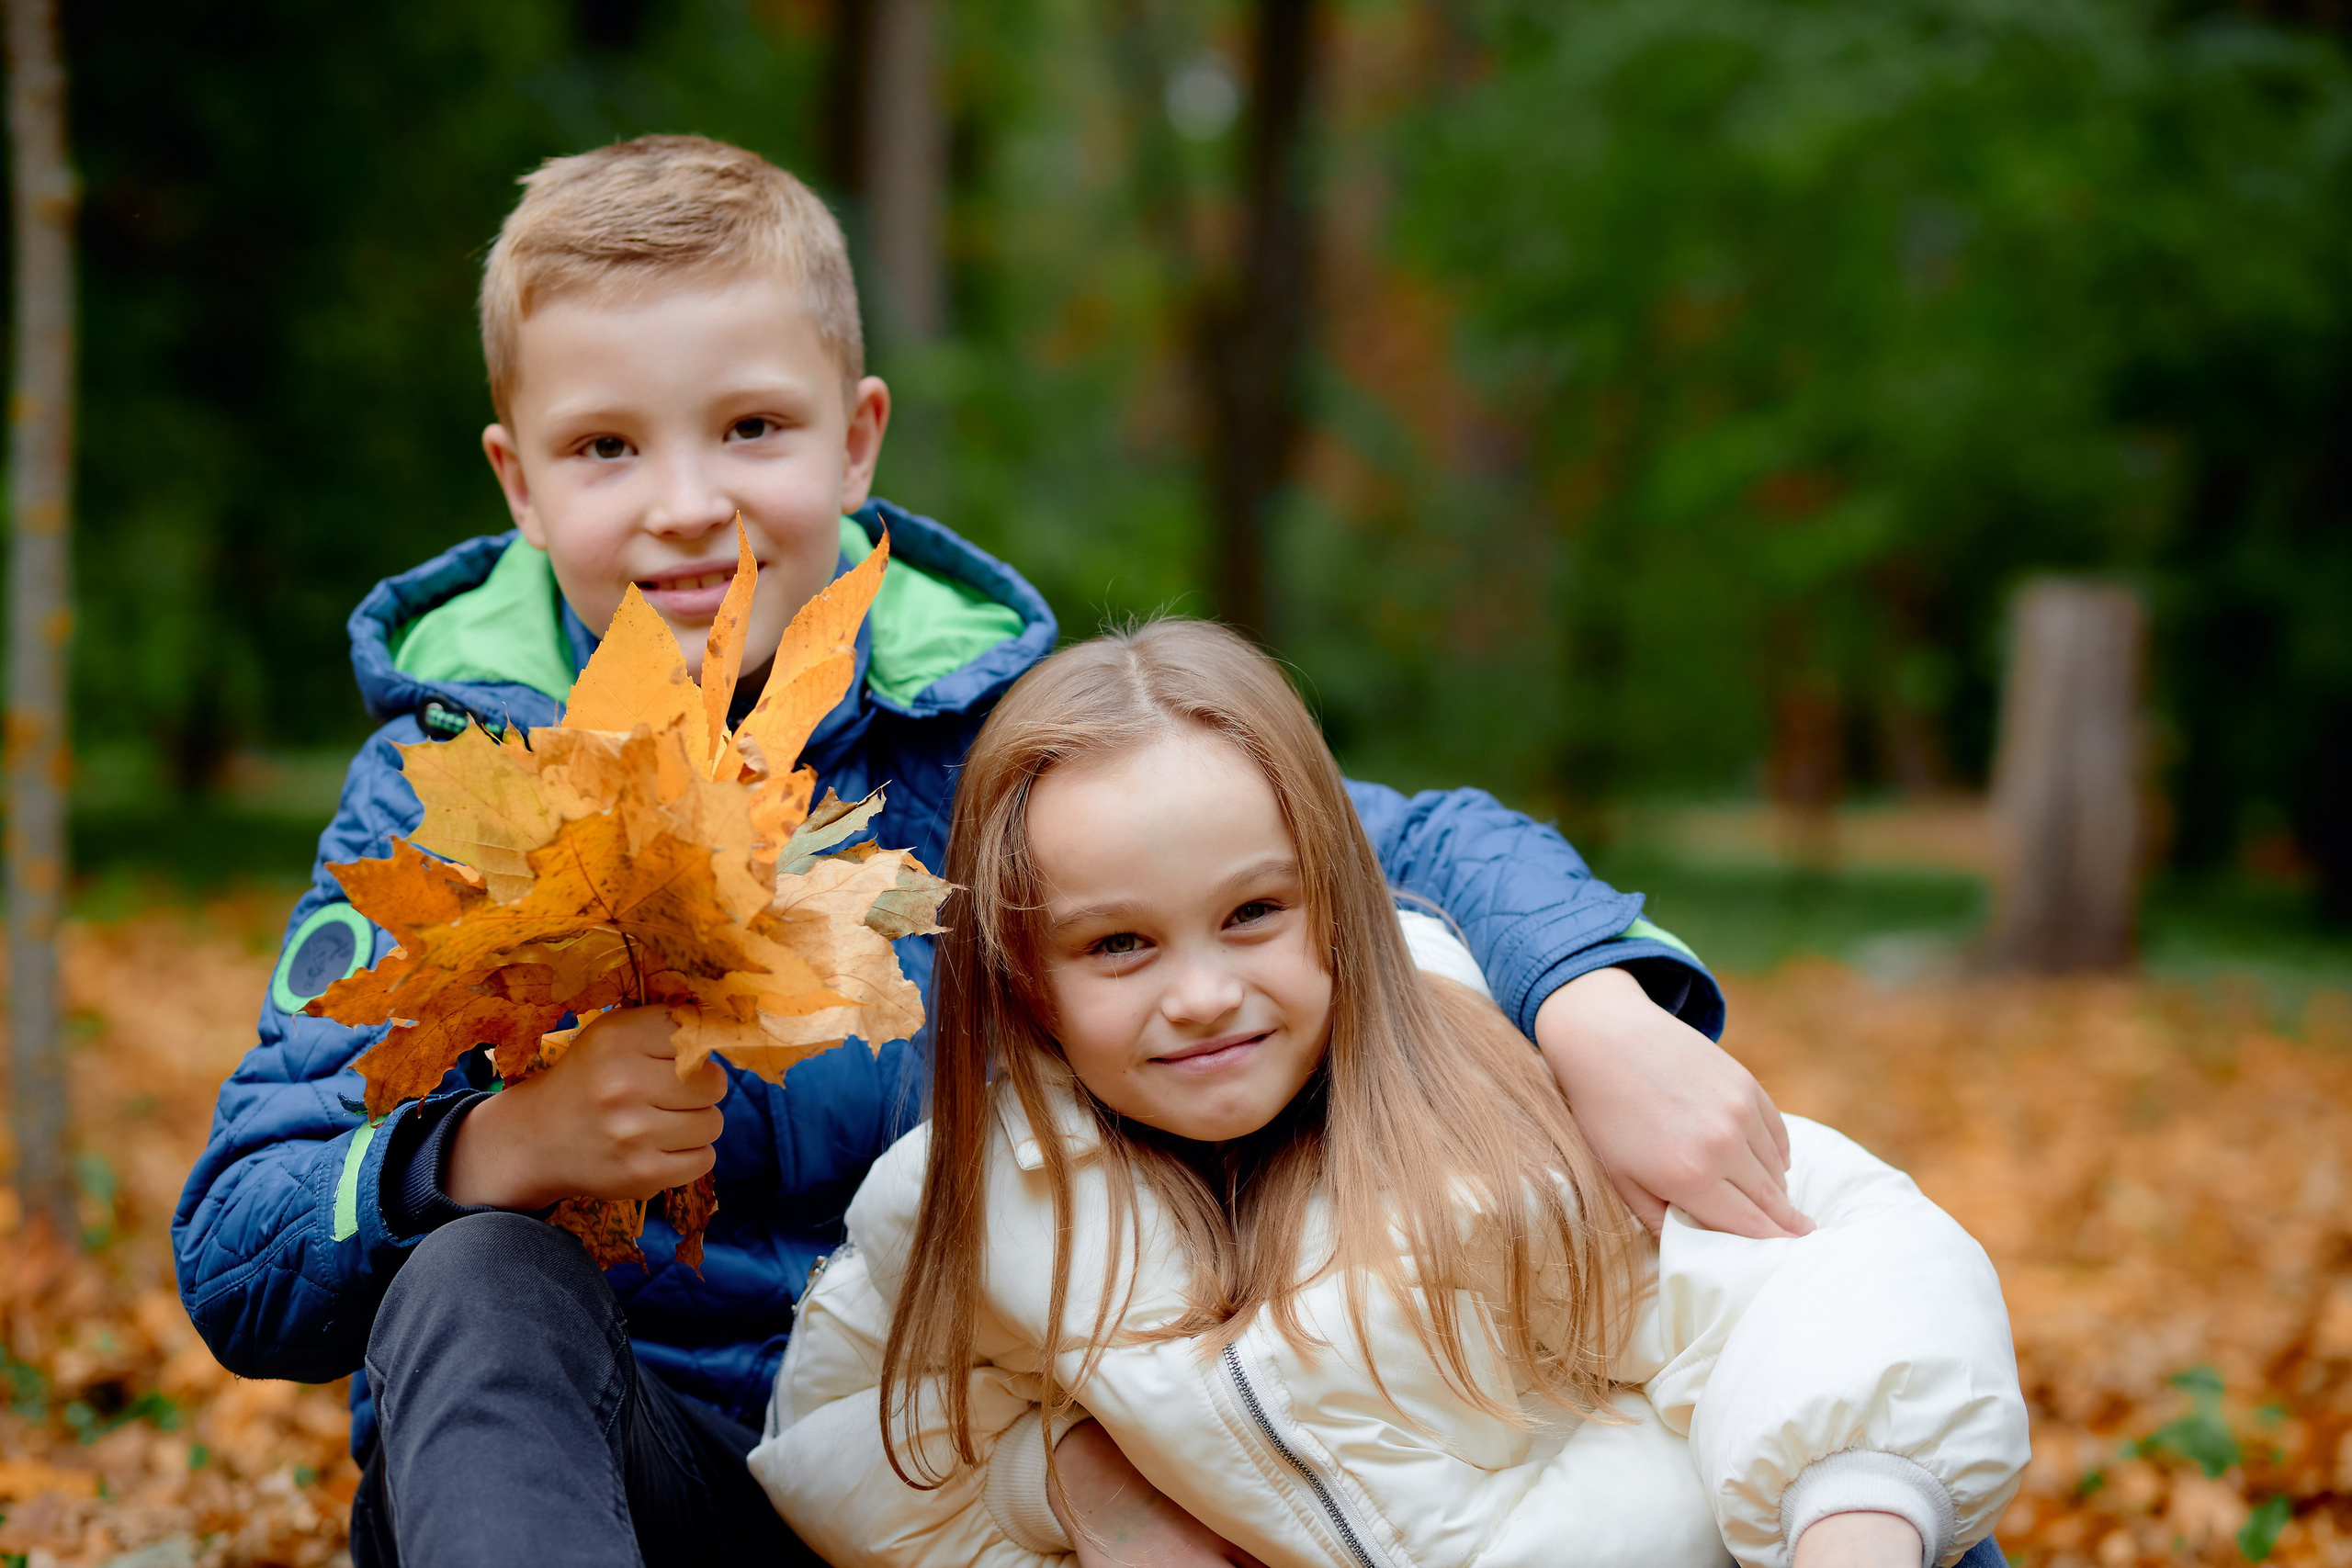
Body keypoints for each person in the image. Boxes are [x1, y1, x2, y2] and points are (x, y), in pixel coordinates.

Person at [173, 135, 1806, 1568]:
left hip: (961, 1494)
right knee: (478, 1285)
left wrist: (1597, 1004)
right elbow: (243, 1243)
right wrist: (489, 1150)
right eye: (607, 449)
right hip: (604, 1490)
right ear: (519, 481)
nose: (685, 506)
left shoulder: (993, 751)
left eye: (751, 428)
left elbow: (1408, 842)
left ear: (857, 437)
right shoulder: (439, 798)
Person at [753, 619, 2029, 1568]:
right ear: (1025, 980)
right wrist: (1084, 1495)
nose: (1200, 993)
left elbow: (1839, 1269)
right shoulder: (982, 1205)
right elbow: (854, 1430)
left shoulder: (1495, 1110)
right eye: (1120, 946)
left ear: (1337, 904)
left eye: (1253, 914)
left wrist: (1852, 1526)